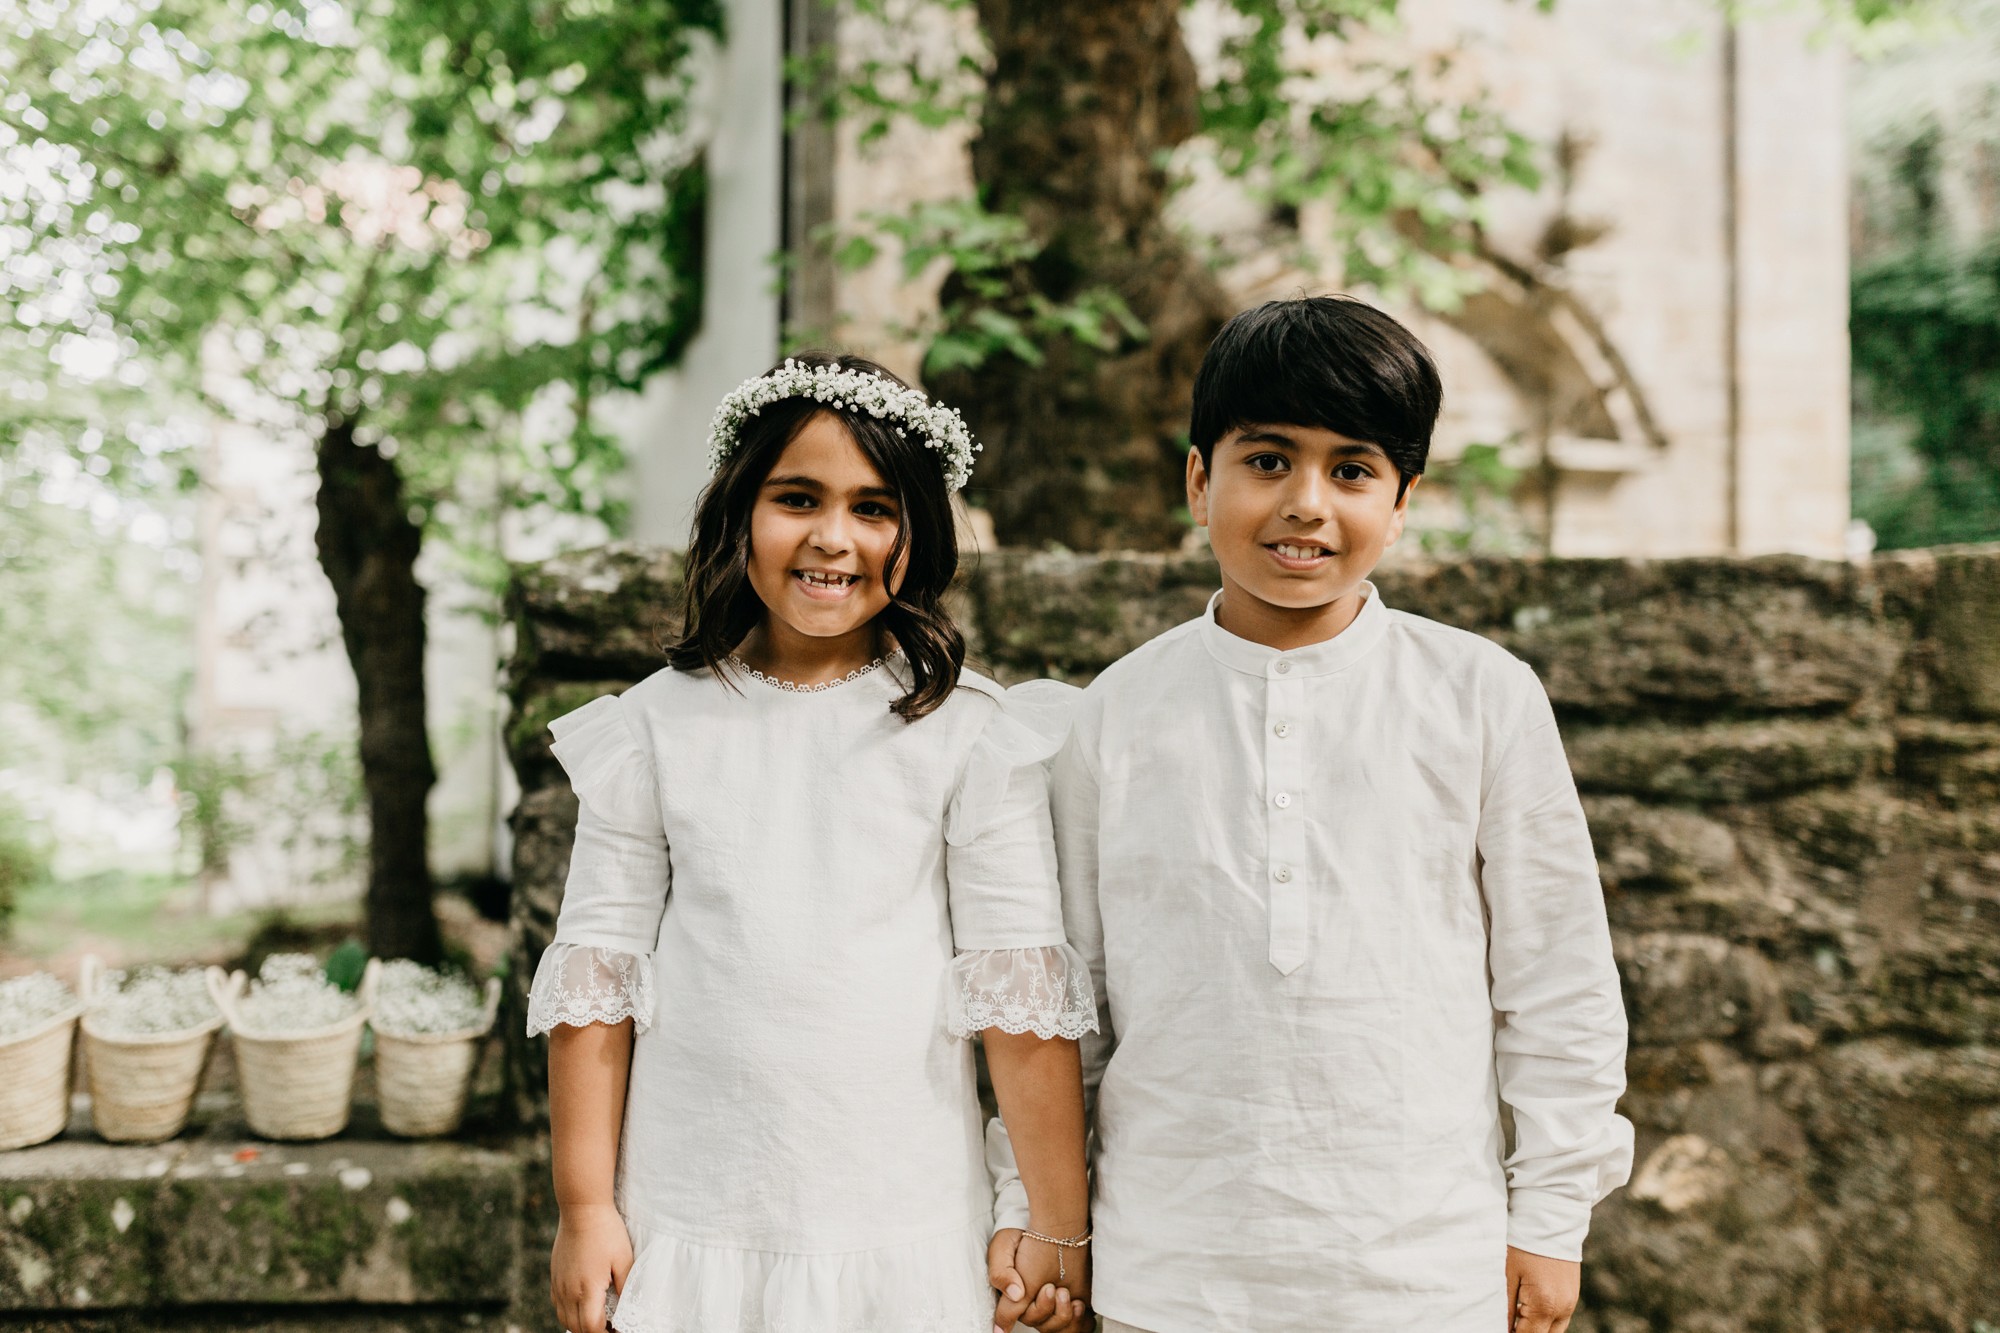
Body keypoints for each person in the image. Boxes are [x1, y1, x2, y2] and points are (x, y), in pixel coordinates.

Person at [989, 297, 1634, 1333]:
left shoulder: (1478, 695)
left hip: (1420, 1269)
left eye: (1350, 470)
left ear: (1402, 499)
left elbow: (1554, 979)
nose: (1305, 503)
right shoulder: (1114, 714)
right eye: (1266, 461)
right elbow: (1073, 1005)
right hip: (1170, 1271)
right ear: (1198, 480)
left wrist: (1550, 1217)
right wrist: (1039, 1216)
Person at [530, 353, 1096, 1333]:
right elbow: (596, 981)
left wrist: (1053, 1225)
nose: (832, 536)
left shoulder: (970, 733)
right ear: (738, 511)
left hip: (899, 1212)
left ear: (916, 533)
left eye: (873, 508)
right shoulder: (652, 731)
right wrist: (585, 1206)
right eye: (797, 497)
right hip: (696, 1202)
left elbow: (1018, 1003)